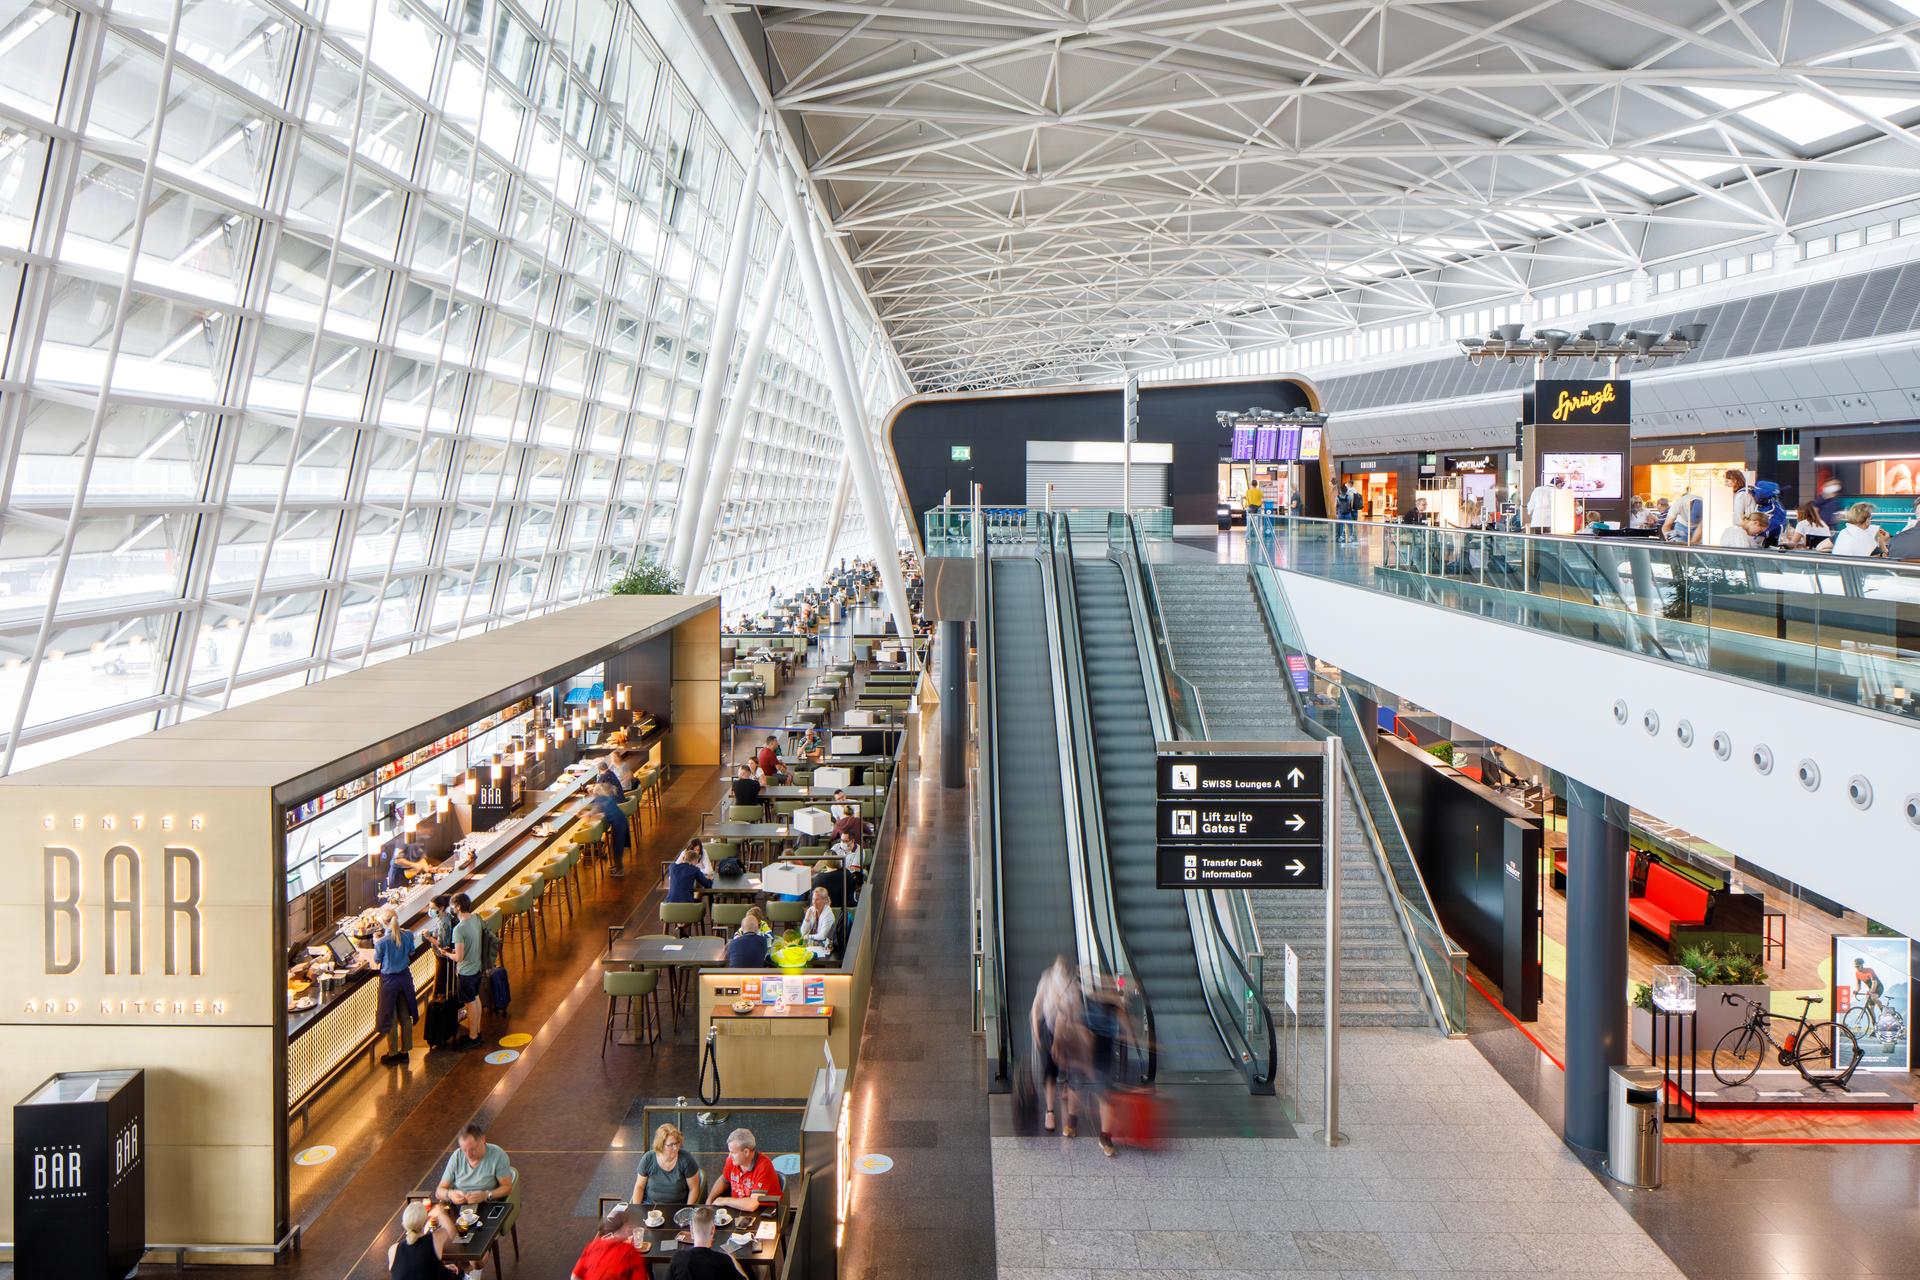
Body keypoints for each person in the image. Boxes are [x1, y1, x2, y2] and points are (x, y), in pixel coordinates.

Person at [1083, 974, 1137, 1158]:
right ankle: (1105, 1137)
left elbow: (1127, 1029)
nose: (1111, 990)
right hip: (1094, 1054)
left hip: (1106, 1055)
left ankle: (1106, 1134)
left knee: (1106, 1095)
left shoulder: (1112, 1006)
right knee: (1106, 1096)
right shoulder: (1095, 1003)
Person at [1029, 956, 1079, 1134]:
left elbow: (1076, 1011)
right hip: (1049, 1030)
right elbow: (1037, 1005)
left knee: (1065, 1066)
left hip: (1067, 1032)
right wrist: (1037, 1031)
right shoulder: (1047, 979)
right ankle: (1050, 1111)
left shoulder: (1072, 984)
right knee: (1050, 1070)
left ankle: (1064, 1087)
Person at [433, 893, 486, 1050]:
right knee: (475, 998)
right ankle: (477, 1031)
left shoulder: (459, 929)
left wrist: (446, 953)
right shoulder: (476, 918)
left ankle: (473, 1037)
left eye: (452, 905)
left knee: (470, 1003)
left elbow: (459, 957)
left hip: (466, 972)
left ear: (457, 907)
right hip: (477, 966)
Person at [374, 907, 418, 1066]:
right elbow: (412, 952)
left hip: (389, 982)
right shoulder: (408, 935)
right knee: (405, 1017)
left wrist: (375, 942)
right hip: (405, 979)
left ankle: (392, 1053)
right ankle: (405, 1052)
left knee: (390, 1018)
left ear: (383, 923)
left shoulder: (381, 942)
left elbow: (377, 960)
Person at [435, 1123, 514, 1206]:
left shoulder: (497, 1155)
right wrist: (450, 1194)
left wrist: (486, 1195)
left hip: (486, 1205)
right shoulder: (457, 1156)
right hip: (460, 1206)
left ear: (483, 1140)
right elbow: (439, 1191)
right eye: (464, 1150)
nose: (468, 1155)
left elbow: (507, 1188)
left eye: (473, 1149)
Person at [708, 1129, 782, 1211]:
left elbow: (752, 1205)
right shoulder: (731, 1161)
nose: (730, 1156)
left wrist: (725, 1200)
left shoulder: (764, 1166)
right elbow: (724, 1180)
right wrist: (709, 1199)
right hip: (738, 1208)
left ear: (746, 1152)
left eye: (733, 1153)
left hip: (764, 1210)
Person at [631, 1123, 703, 1206]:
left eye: (677, 1143)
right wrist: (637, 1208)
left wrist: (687, 1209)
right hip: (651, 1205)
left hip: (677, 1206)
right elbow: (639, 1187)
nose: (675, 1148)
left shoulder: (686, 1159)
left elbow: (694, 1189)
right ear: (660, 1145)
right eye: (671, 1145)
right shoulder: (648, 1158)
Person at [667, 1206, 745, 1279]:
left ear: (691, 1229)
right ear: (713, 1230)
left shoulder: (678, 1259)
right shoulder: (724, 1260)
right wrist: (733, 1260)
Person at [571, 1206, 648, 1280]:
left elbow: (574, 1276)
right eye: (631, 1226)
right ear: (625, 1228)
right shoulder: (630, 1252)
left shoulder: (592, 1246)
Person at [387, 1200, 460, 1279]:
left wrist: (441, 1267)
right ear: (426, 1221)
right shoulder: (436, 1238)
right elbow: (454, 1236)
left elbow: (412, 1271)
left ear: (403, 1224)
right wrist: (441, 1213)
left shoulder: (393, 1249)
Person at [591, 780, 631, 876]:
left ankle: (620, 870)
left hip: (619, 824)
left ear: (598, 793)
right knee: (615, 847)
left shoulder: (601, 800)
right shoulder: (607, 798)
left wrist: (584, 814)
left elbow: (594, 811)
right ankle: (617, 866)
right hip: (621, 821)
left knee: (617, 848)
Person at [800, 887, 836, 956]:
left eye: (817, 899)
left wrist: (808, 936)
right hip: (813, 946)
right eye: (813, 899)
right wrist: (807, 919)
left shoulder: (828, 914)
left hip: (826, 948)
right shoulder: (811, 910)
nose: (814, 902)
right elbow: (803, 932)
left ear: (825, 900)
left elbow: (822, 936)